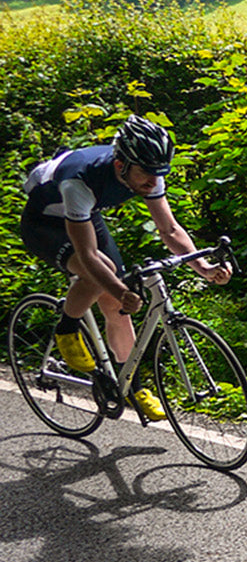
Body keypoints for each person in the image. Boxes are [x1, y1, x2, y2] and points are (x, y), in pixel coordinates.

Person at [19, 114, 233, 420]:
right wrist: (121, 289)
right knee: (99, 276)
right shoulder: (78, 179)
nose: (154, 180)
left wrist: (203, 266)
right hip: (44, 224)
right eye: (147, 173)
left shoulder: (147, 173)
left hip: (85, 214)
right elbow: (88, 256)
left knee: (117, 308)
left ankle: (132, 385)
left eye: (160, 173)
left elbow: (169, 230)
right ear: (121, 165)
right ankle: (66, 330)